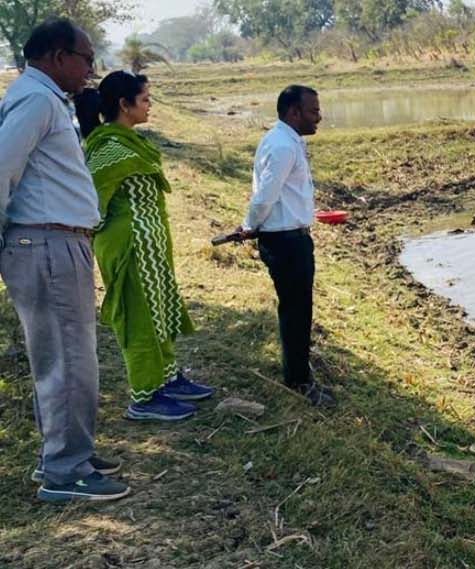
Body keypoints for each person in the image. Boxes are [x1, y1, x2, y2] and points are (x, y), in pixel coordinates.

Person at [0, 18, 129, 502]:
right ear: (57, 57)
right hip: (47, 244)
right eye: (86, 58)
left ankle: (66, 452)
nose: (90, 70)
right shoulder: (36, 99)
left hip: (53, 242)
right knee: (69, 359)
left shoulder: (41, 98)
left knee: (62, 356)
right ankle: (65, 469)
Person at [79, 70, 216, 421]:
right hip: (129, 249)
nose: (150, 106)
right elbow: (91, 207)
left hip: (149, 246)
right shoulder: (107, 150)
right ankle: (144, 397)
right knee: (140, 321)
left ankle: (166, 380)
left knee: (160, 314)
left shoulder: (127, 142)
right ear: (124, 105)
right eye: (145, 100)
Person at [227, 85, 334, 406]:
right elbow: (265, 196)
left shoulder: (285, 141)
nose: (319, 116)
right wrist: (249, 225)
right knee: (296, 312)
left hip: (289, 238)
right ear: (293, 112)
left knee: (297, 310)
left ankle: (299, 372)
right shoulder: (283, 146)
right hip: (286, 243)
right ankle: (299, 381)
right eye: (313, 110)